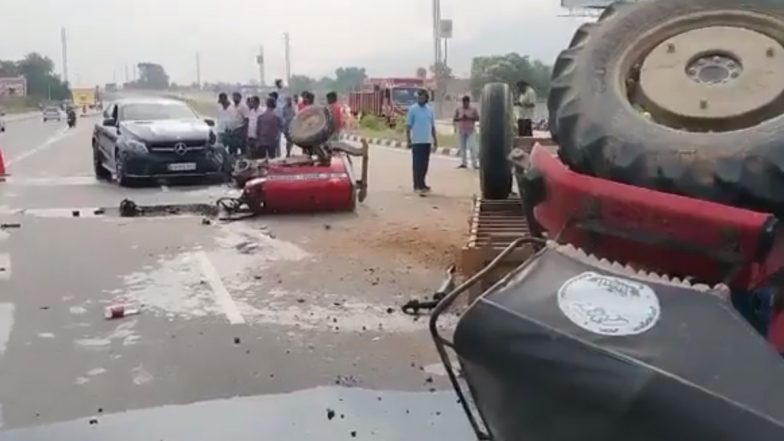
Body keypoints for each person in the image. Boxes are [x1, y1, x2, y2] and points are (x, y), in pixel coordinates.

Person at [406, 89, 438, 195]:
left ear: (426, 98)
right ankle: (417, 185)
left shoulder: (430, 110)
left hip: (427, 141)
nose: (420, 99)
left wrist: (435, 140)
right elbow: (408, 126)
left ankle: (423, 183)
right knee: (417, 164)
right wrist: (408, 140)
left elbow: (432, 126)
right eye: (418, 97)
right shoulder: (413, 109)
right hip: (416, 141)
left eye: (422, 97)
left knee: (425, 164)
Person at [453, 95, 480, 169]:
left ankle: (474, 164)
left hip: (471, 130)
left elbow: (478, 118)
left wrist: (469, 118)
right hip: (462, 130)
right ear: (462, 102)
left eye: (466, 103)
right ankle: (464, 163)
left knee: (472, 147)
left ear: (469, 102)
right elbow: (455, 118)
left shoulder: (473, 109)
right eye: (464, 103)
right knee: (462, 148)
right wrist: (461, 118)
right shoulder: (459, 109)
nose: (465, 104)